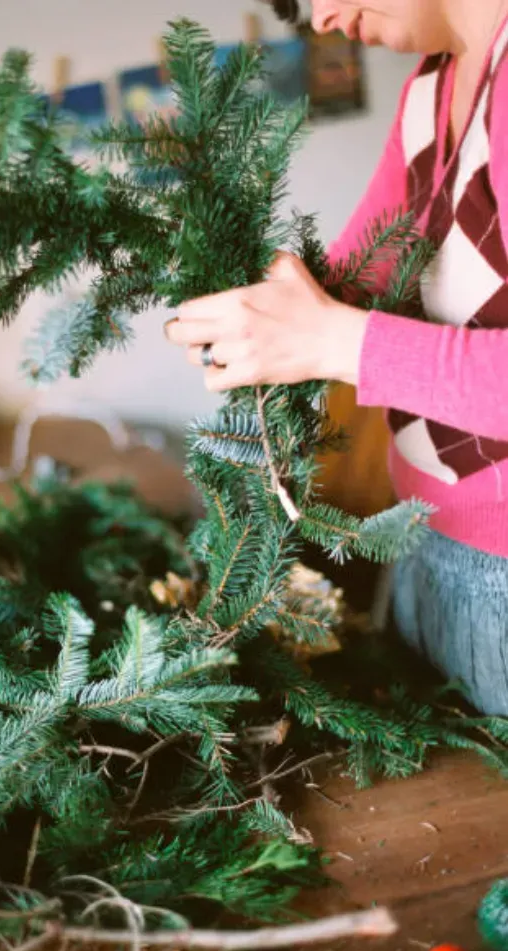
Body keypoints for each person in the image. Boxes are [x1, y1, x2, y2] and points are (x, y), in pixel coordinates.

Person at [164, 0, 508, 716]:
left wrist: (334, 340)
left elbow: (338, 327)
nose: (321, 19)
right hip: (417, 537)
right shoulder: (429, 89)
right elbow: (351, 277)